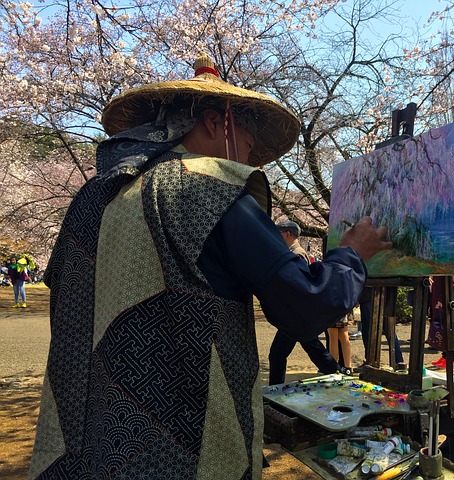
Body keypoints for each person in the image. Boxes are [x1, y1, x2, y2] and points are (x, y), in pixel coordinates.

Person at [29, 53, 392, 480]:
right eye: (249, 145)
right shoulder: (207, 186)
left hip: (92, 439)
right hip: (184, 441)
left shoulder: (92, 200)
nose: (251, 162)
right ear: (215, 122)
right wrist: (351, 253)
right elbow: (306, 305)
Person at [267, 220, 347, 385]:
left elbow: (298, 284)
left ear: (288, 234)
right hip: (298, 313)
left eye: (279, 232)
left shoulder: (297, 254)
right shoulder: (294, 253)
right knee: (311, 349)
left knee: (279, 353)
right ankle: (336, 374)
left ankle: (275, 389)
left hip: (296, 313)